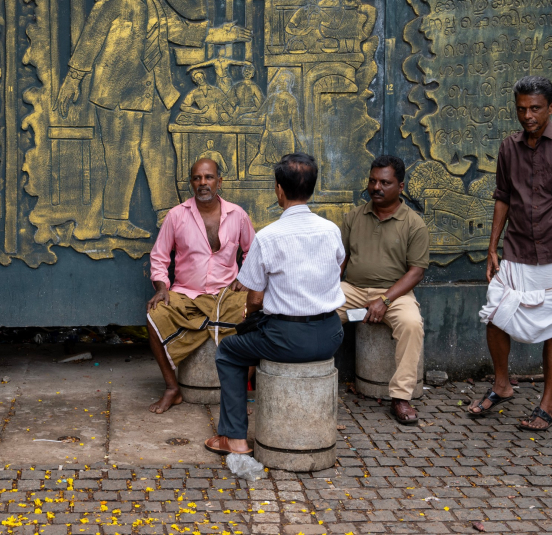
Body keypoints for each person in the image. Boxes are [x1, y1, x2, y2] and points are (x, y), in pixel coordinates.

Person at [54, 0, 250, 235]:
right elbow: (89, 43)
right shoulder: (110, 4)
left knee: (160, 153)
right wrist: (73, 79)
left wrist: (219, 33)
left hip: (154, 93)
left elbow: (181, 29)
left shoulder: (153, 0)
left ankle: (167, 216)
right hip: (118, 96)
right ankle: (115, 222)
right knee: (124, 157)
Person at [468, 76, 552, 431]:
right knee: (496, 314)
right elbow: (502, 197)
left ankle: (547, 403)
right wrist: (493, 247)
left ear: (551, 108)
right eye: (521, 109)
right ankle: (502, 385)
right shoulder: (509, 148)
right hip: (516, 247)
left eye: (535, 108)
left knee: (551, 326)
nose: (527, 115)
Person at [205, 153, 346, 455]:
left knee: (230, 352)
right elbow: (337, 267)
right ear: (312, 189)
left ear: (279, 190)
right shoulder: (331, 230)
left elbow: (254, 297)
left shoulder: (269, 236)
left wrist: (253, 314)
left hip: (288, 339)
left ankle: (234, 438)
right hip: (332, 334)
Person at [146, 158, 256, 413]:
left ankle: (238, 391)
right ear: (191, 183)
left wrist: (244, 278)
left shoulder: (237, 215)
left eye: (208, 177)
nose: (202, 183)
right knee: (155, 314)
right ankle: (172, 389)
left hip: (227, 294)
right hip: (187, 295)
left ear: (219, 181)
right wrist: (162, 288)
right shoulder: (177, 216)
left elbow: (253, 252)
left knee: (257, 313)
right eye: (197, 178)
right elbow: (159, 258)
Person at [337, 155, 430, 425]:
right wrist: (326, 292)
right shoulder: (354, 217)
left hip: (394, 294)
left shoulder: (414, 224)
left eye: (385, 183)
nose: (376, 187)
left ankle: (401, 397)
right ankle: (311, 380)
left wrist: (384, 300)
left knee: (412, 325)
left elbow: (416, 272)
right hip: (352, 289)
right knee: (318, 314)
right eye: (372, 181)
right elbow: (339, 260)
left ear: (400, 187)